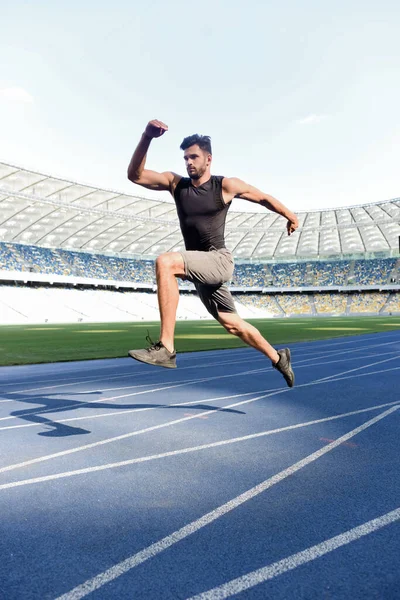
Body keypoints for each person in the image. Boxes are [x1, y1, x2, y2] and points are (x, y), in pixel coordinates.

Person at [127, 119, 299, 387]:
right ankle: (279, 358)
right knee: (233, 324)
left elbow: (262, 197)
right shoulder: (177, 184)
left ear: (209, 159)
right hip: (201, 269)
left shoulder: (225, 186)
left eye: (194, 157)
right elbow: (135, 175)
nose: (189, 163)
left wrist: (289, 215)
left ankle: (166, 348)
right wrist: (146, 137)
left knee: (166, 262)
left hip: (218, 260)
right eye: (185, 158)